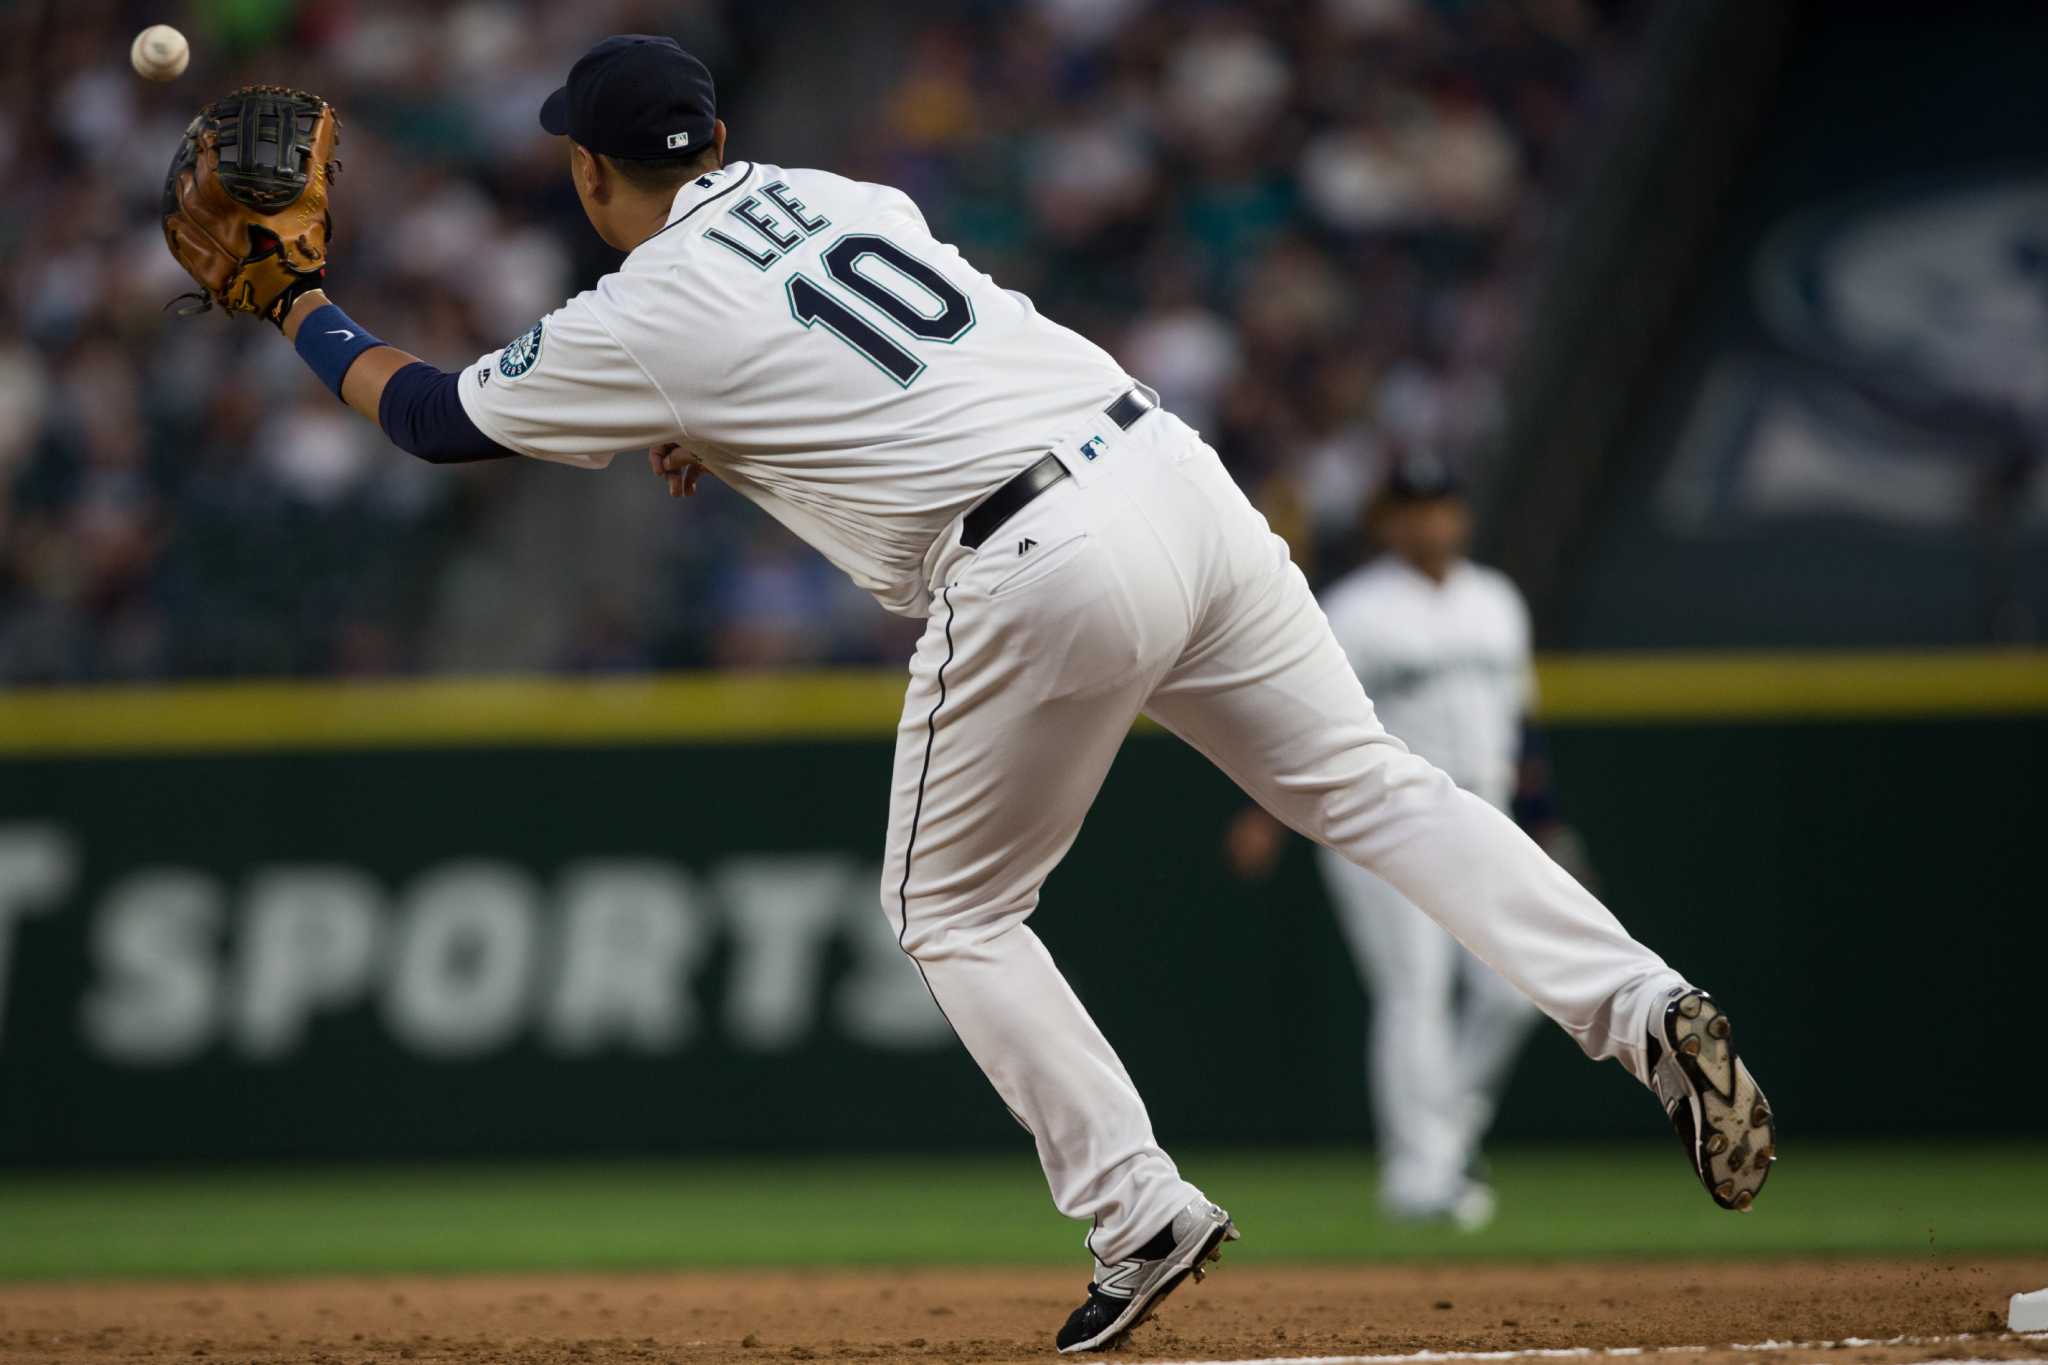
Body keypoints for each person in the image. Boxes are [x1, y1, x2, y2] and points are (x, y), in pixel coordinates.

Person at [183, 36, 1776, 1354]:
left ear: (592, 178)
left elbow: (438, 424)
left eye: (577, 166)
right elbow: (848, 363)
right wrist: (715, 424)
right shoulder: (831, 188)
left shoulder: (641, 309)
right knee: (1377, 784)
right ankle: (1642, 1007)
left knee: (947, 909)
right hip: (1171, 471)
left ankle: (1137, 1203)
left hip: (1037, 553)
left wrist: (291, 309)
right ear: (725, 135)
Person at [1229, 456, 1551, 1229]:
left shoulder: (1497, 602)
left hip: (1484, 816)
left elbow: (1524, 730)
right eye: (1412, 508)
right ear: (1387, 522)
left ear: (1461, 516)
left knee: (1517, 992)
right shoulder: (1356, 609)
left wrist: (1549, 826)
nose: (1429, 522)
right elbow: (1302, 723)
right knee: (1417, 990)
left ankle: (1444, 1133)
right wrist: (1267, 815)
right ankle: (1419, 1175)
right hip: (1383, 822)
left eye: (1441, 506)